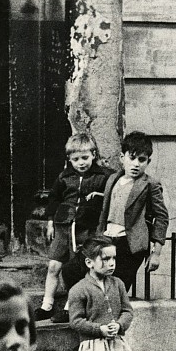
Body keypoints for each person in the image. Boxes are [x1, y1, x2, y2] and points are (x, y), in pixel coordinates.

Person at [36, 133, 114, 323]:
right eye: (75, 159)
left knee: (75, 269)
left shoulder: (103, 176)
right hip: (63, 228)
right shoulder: (65, 177)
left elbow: (111, 196)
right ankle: (47, 304)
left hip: (85, 229)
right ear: (69, 159)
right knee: (54, 266)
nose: (80, 163)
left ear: (94, 154)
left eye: (85, 158)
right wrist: (50, 222)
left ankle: (69, 307)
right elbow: (54, 198)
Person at [96, 131, 169, 292]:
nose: (136, 164)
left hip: (130, 244)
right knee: (92, 281)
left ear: (148, 161)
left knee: (116, 288)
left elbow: (162, 217)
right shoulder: (113, 179)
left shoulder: (150, 184)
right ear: (122, 158)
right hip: (107, 238)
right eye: (132, 158)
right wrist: (99, 236)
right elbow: (105, 210)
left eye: (142, 160)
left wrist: (156, 253)